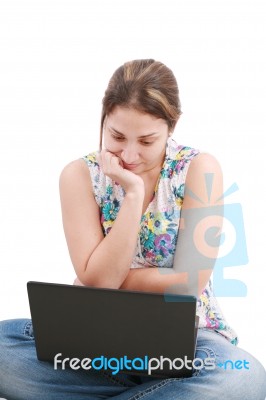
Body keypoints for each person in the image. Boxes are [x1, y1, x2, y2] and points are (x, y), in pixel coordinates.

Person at [0, 59, 265, 400]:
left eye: (146, 141)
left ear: (172, 127)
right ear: (104, 119)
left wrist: (104, 279)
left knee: (244, 379)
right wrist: (133, 196)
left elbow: (187, 284)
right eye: (117, 136)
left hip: (190, 339)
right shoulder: (78, 175)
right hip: (96, 338)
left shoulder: (200, 169)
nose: (129, 154)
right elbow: (99, 282)